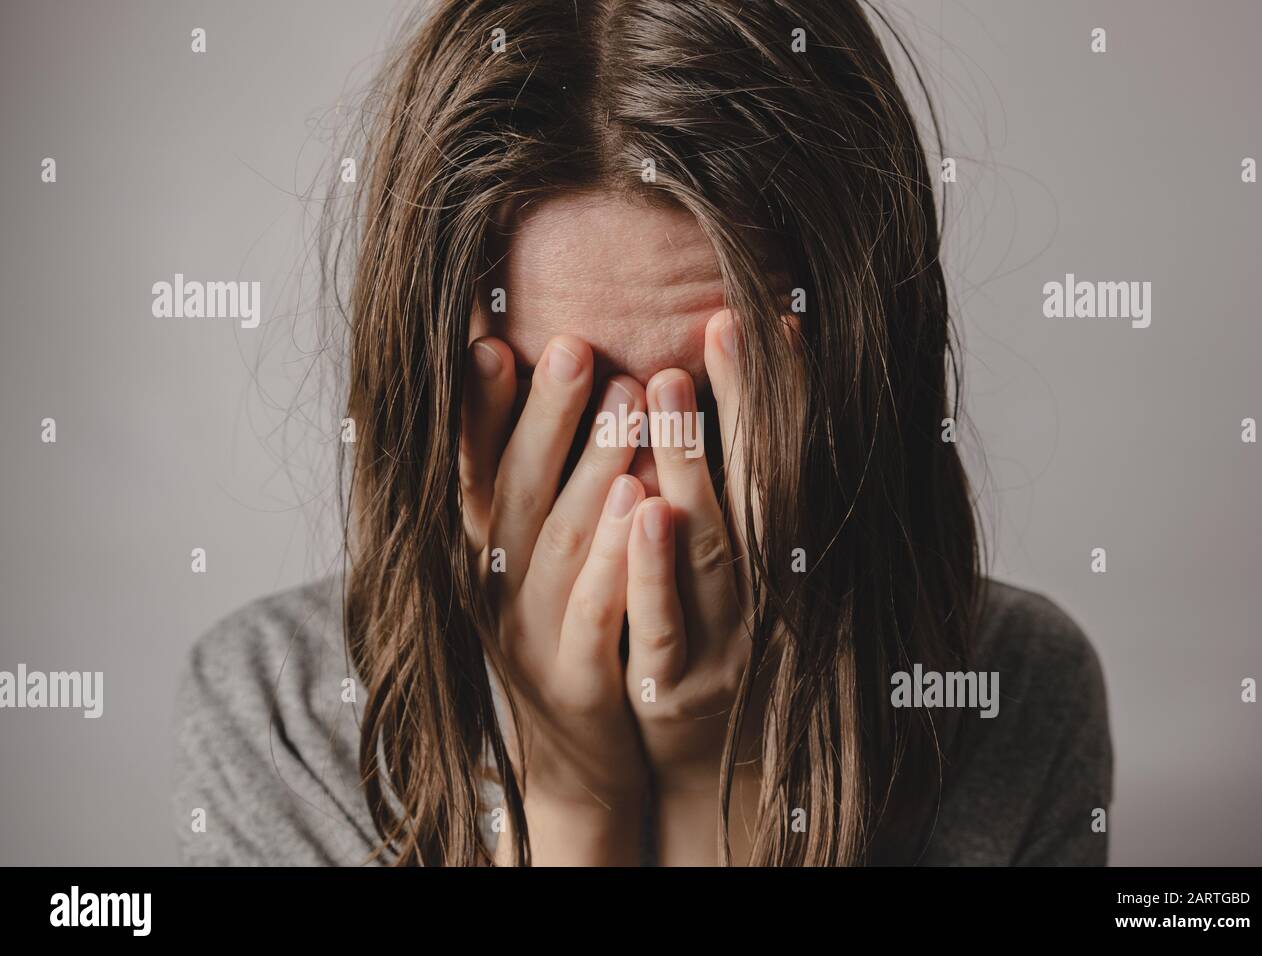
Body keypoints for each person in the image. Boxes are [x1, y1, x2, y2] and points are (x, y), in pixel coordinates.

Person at [173, 0, 1112, 866]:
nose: (652, 507)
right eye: (570, 413)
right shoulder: (284, 718)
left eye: (708, 409)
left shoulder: (1009, 693)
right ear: (441, 401)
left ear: (860, 385)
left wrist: (733, 793)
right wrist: (573, 804)